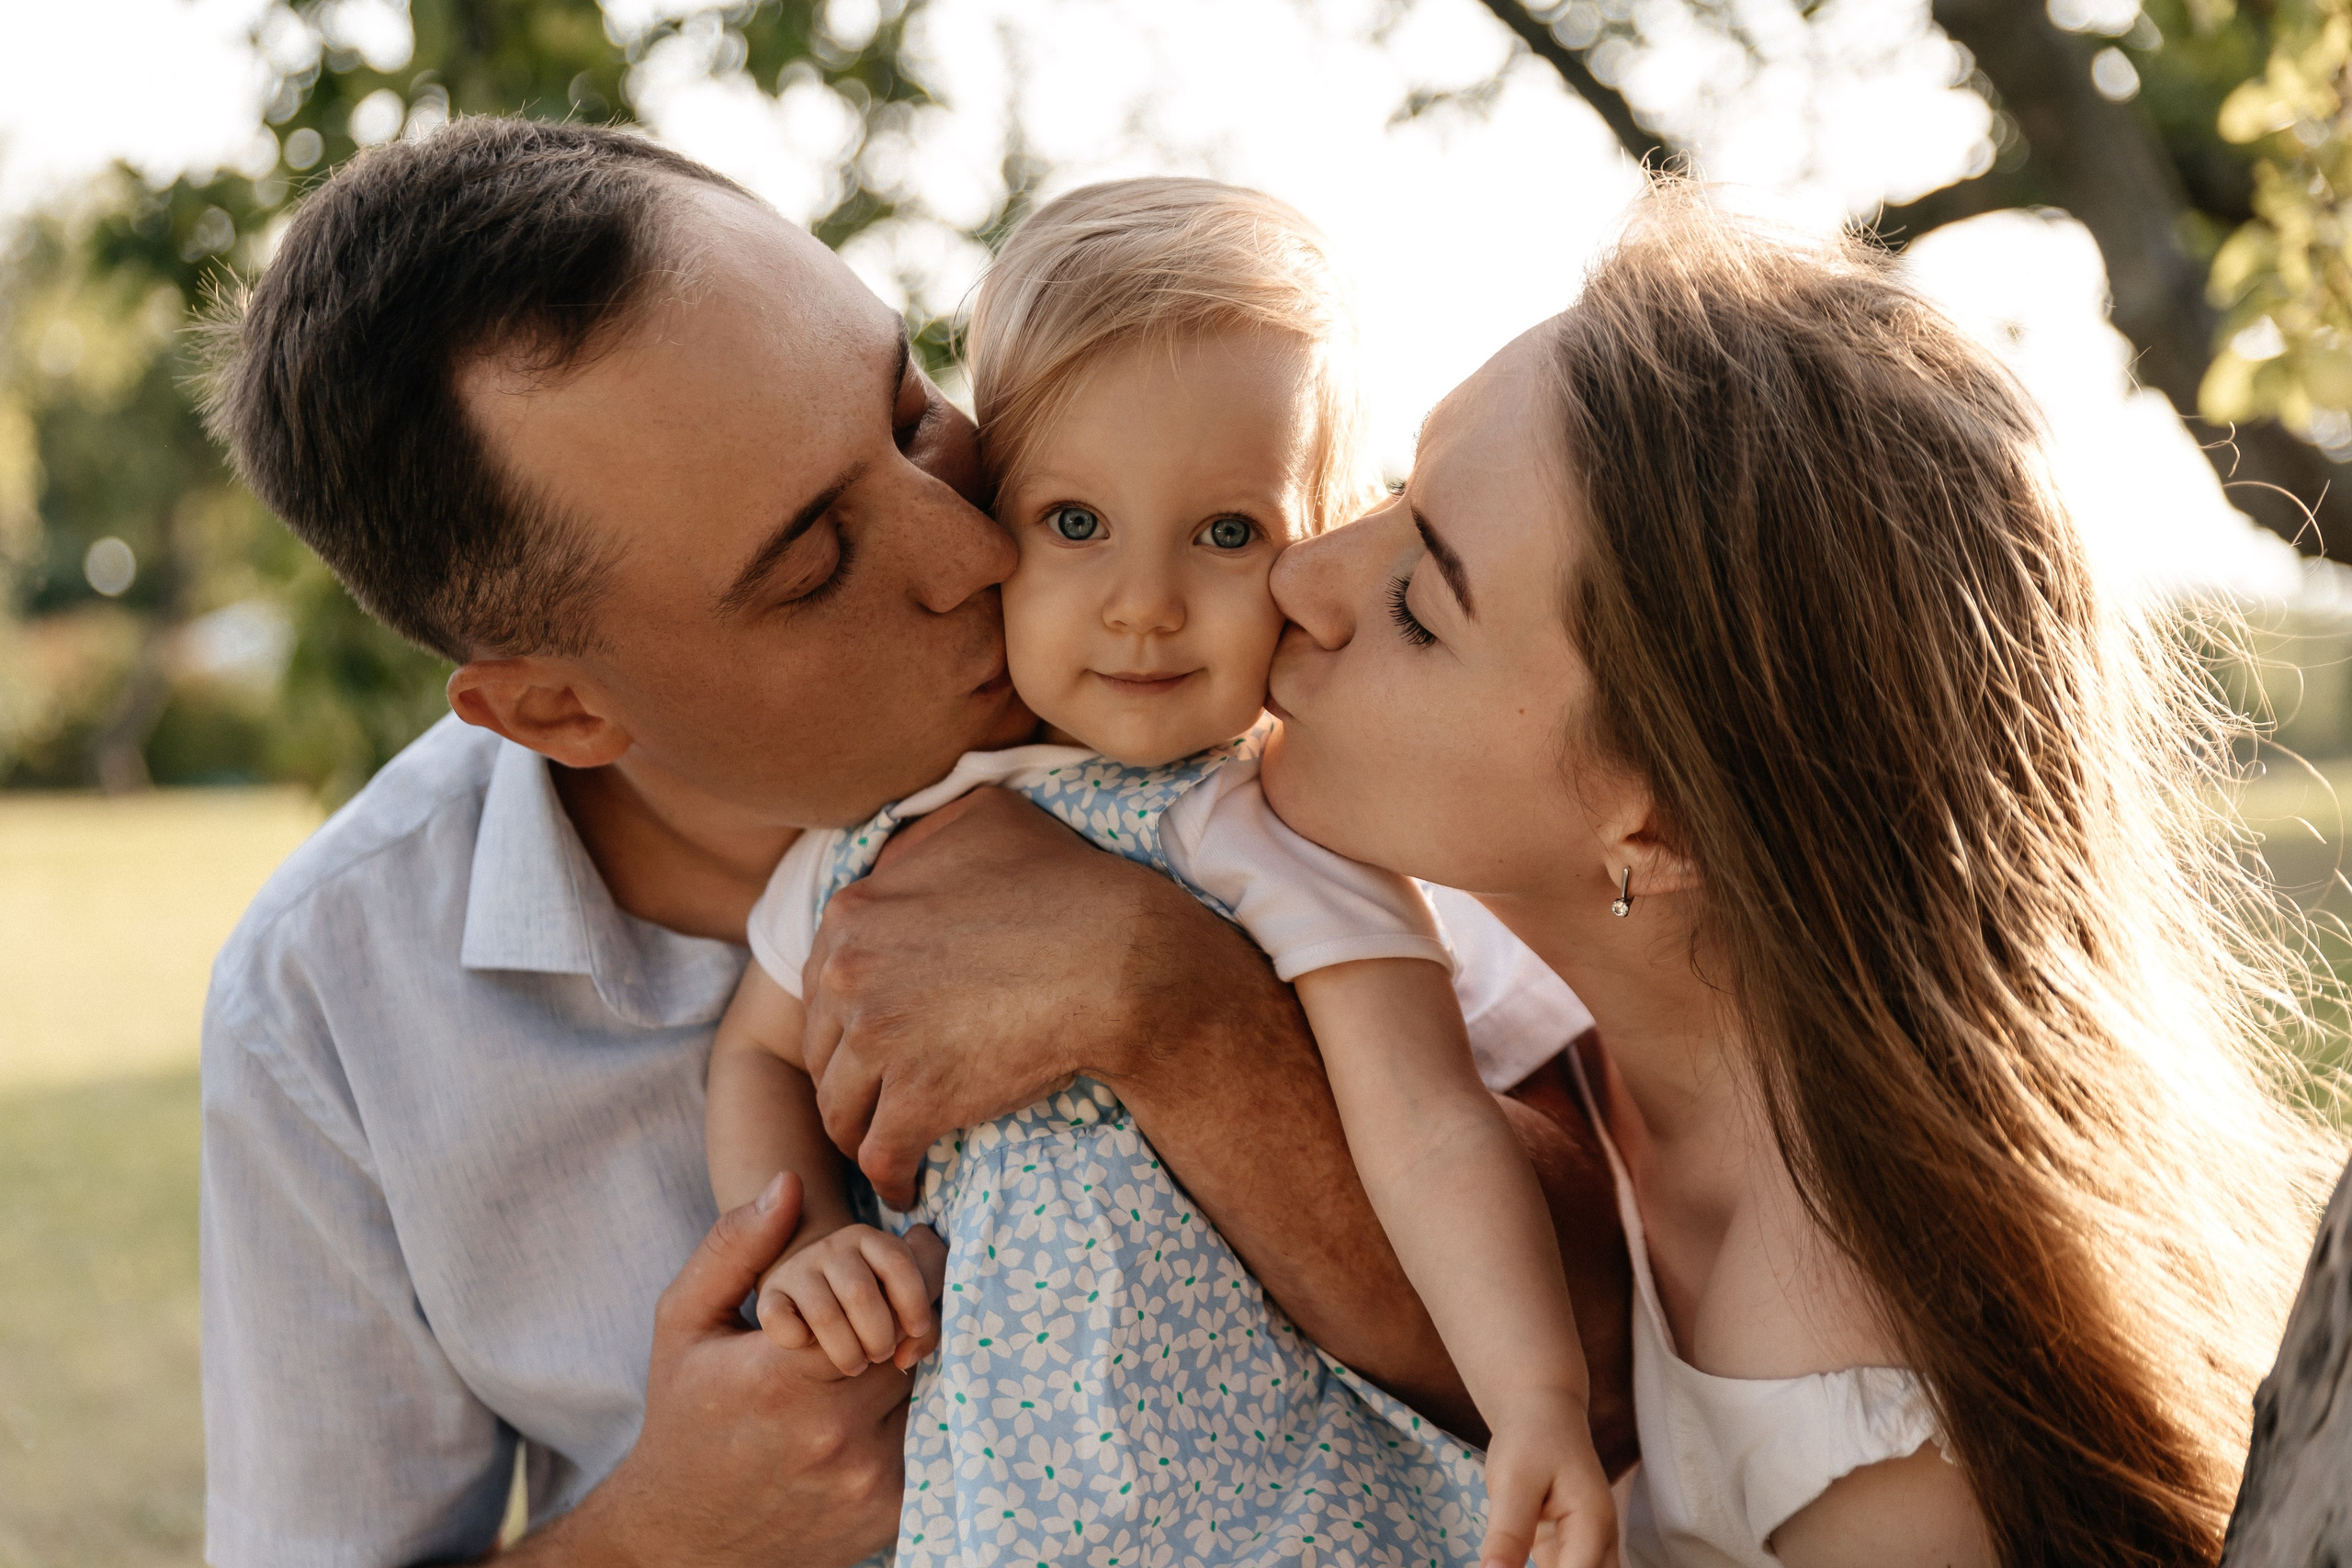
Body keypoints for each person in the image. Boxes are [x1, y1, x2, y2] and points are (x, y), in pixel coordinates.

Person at [194, 117, 1634, 1568]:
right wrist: (661, 1538)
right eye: (815, 563)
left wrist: (1180, 1008)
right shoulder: (326, 1006)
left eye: (907, 413)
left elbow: (1631, 1348)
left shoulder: (1290, 746)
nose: (979, 547)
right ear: (558, 709)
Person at [1257, 187, 2347, 1567]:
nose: (1304, 575)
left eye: (1423, 603)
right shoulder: (1511, 973)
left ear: (1662, 830)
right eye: (1388, 498)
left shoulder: (1858, 1457)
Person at [710, 178, 1612, 1567]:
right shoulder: (889, 829)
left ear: (1312, 546)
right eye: (1076, 522)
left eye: (1228, 532)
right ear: (985, 522)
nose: (1144, 601)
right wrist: (804, 1242)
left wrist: (1536, 1398)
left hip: (1274, 1504)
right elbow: (759, 1055)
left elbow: (1430, 1130)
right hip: (1001, 1499)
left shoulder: (1280, 837)